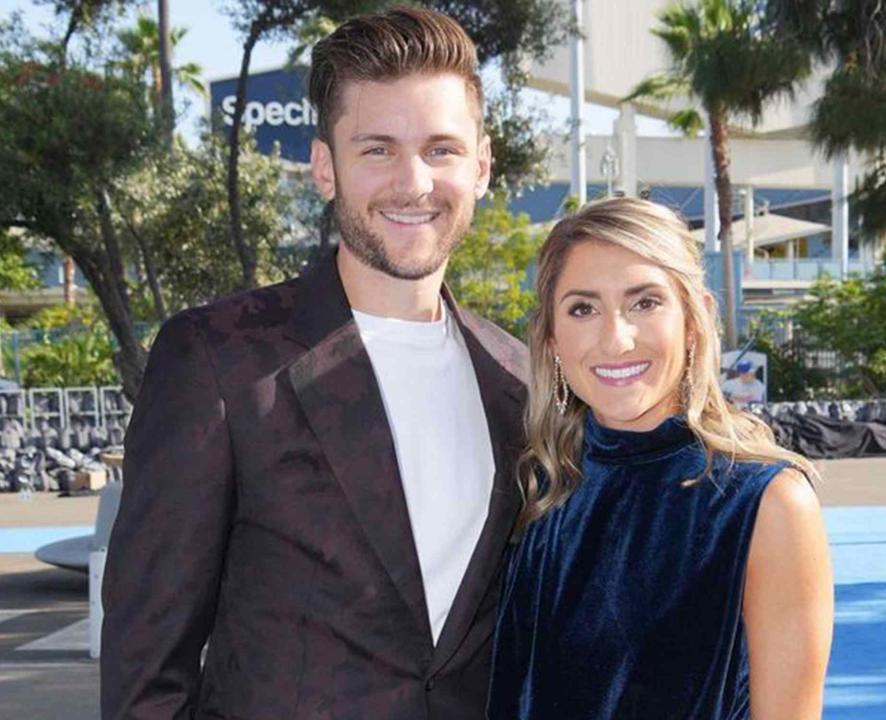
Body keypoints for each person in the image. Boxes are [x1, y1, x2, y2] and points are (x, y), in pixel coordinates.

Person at [101, 8, 527, 720]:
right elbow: (147, 665)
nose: (414, 182)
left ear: (482, 165)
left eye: (442, 149)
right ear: (325, 167)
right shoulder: (217, 361)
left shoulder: (520, 380)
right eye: (378, 150)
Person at [487, 197, 833, 720]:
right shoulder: (543, 490)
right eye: (583, 308)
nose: (616, 339)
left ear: (695, 320)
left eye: (645, 302)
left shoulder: (766, 504)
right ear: (552, 339)